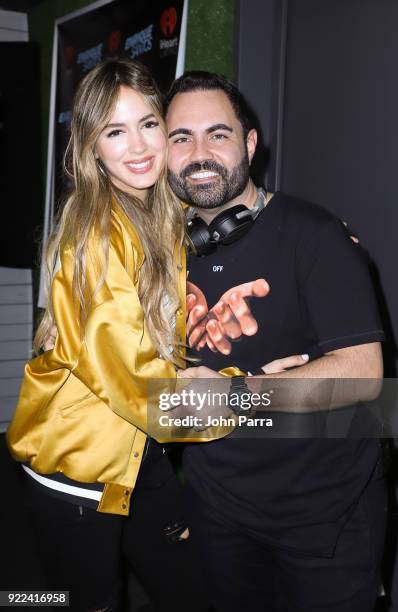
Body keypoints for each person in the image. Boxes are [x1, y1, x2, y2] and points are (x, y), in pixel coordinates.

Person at [163, 71, 387, 611]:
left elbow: (365, 373)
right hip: (217, 510)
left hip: (320, 518)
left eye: (217, 134)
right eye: (181, 138)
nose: (199, 153)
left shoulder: (314, 234)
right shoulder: (159, 252)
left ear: (250, 143)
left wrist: (241, 397)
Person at [6, 59, 210, 612]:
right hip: (78, 473)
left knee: (189, 590)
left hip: (139, 457)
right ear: (93, 148)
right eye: (115, 132)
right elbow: (147, 392)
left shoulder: (161, 211)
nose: (139, 145)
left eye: (148, 123)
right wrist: (255, 398)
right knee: (87, 603)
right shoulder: (96, 236)